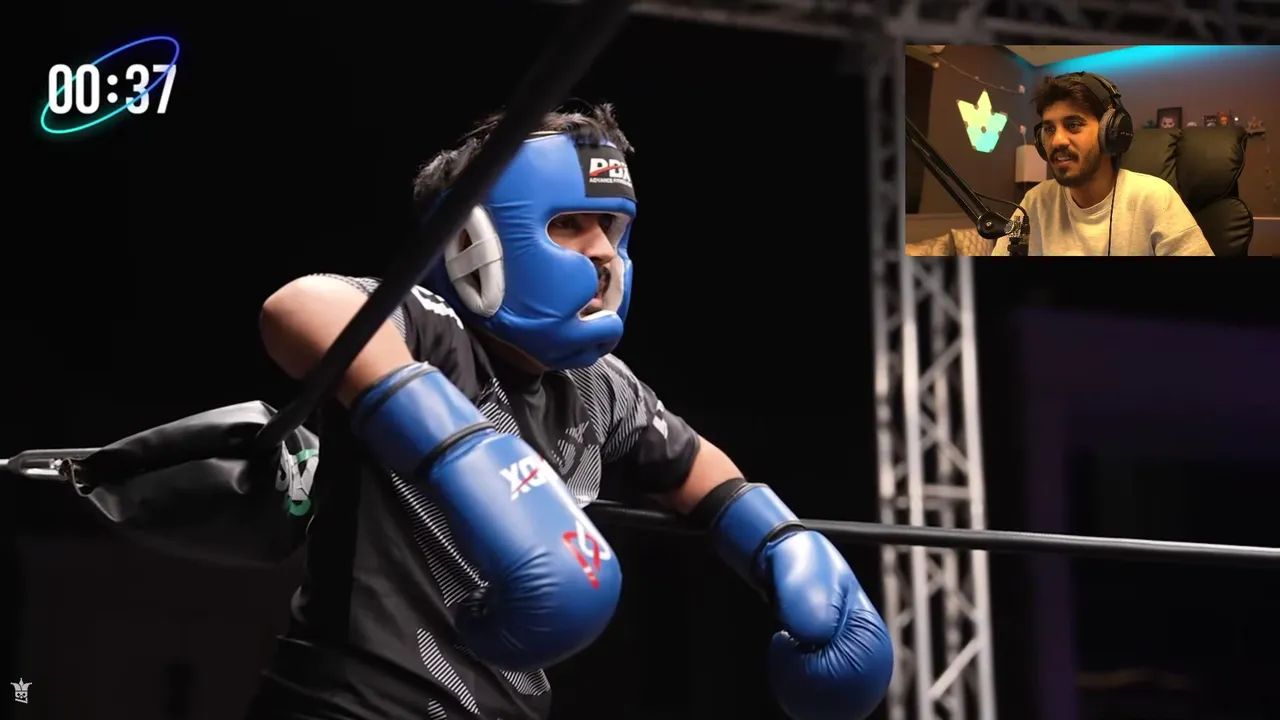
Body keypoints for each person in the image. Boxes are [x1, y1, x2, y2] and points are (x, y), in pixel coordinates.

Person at [246, 104, 894, 720]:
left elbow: (701, 472)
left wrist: (781, 545)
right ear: (473, 242)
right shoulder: (431, 333)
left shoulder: (595, 386)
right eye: (568, 225)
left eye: (609, 227)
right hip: (347, 703)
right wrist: (461, 446)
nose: (602, 251)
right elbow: (302, 306)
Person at [992, 73, 1214, 256]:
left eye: (1073, 125)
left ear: (1110, 132)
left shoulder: (1155, 198)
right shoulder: (1034, 202)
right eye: (1049, 129)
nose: (1057, 141)